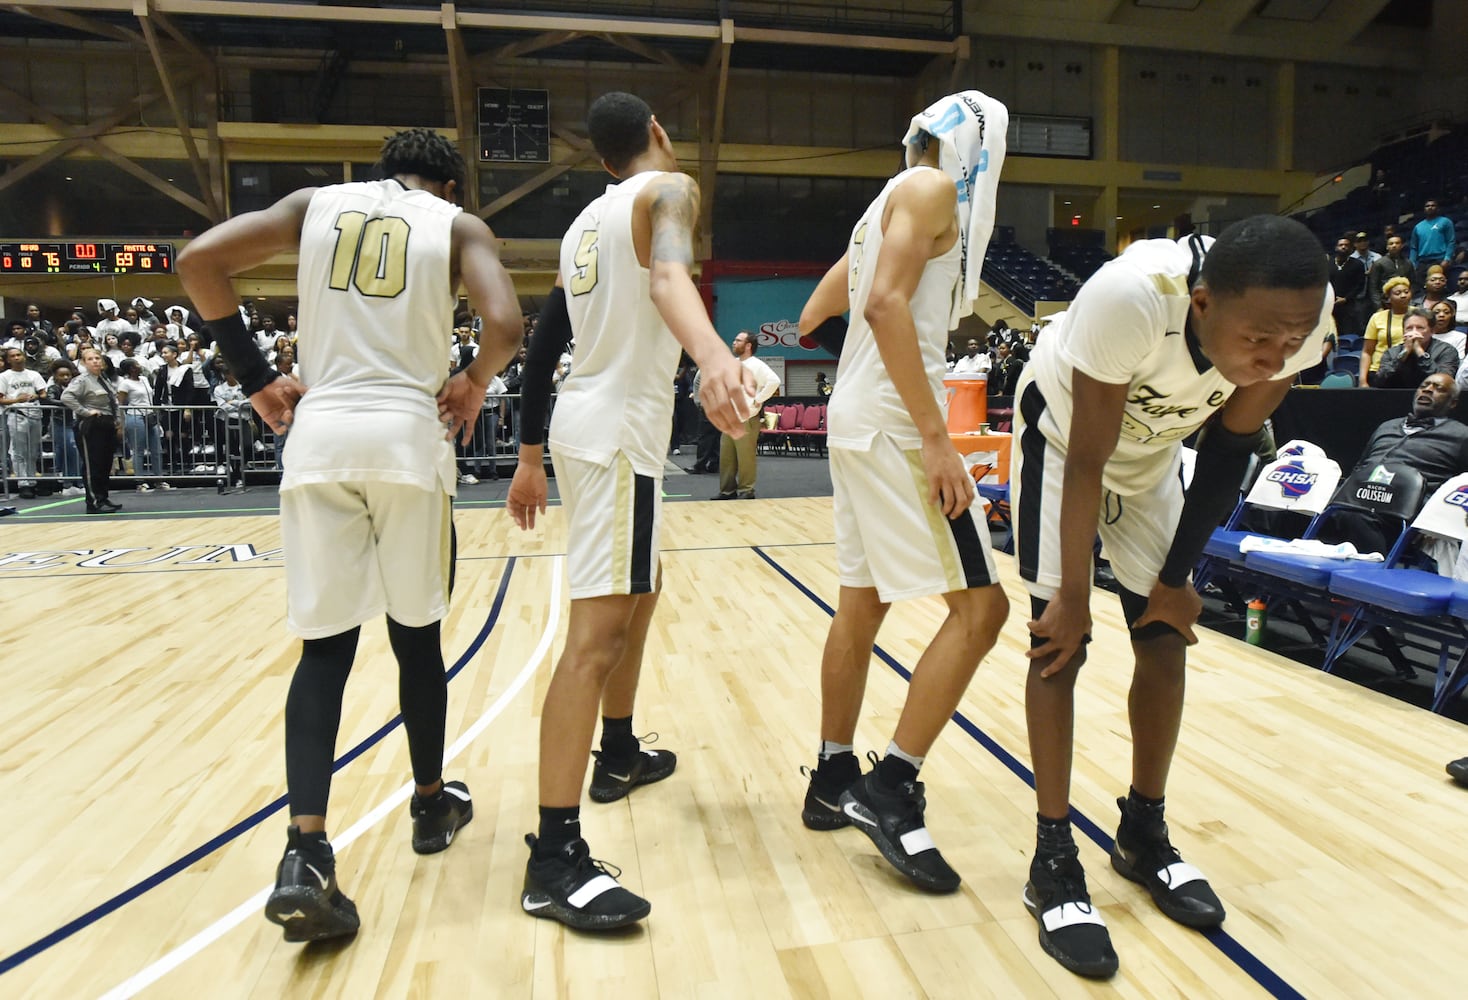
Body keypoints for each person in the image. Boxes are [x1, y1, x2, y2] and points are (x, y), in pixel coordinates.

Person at [176, 127, 522, 944]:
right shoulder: (456, 224)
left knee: (323, 651)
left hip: (320, 438)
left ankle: (306, 852)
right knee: (418, 639)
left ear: (379, 175)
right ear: (445, 185)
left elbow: (198, 261)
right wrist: (472, 383)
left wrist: (257, 377)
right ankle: (432, 805)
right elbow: (504, 321)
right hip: (407, 440)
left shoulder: (313, 206)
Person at [1010, 216, 1330, 979]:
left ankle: (1141, 833)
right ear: (1202, 302)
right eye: (1259, 339)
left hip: (1154, 458)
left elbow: (1227, 451)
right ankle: (1053, 856)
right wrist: (1076, 597)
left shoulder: (1296, 328)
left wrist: (1177, 581)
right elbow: (1087, 458)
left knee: (1163, 636)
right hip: (1063, 443)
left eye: (1291, 343)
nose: (1274, 357)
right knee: (1062, 642)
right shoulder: (1130, 297)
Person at [504, 91, 751, 931]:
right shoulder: (669, 192)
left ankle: (616, 752)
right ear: (656, 133)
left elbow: (553, 337)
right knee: (594, 638)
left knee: (639, 599)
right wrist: (714, 356)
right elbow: (670, 275)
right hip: (616, 434)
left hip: (594, 425)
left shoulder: (585, 223)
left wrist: (532, 448)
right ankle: (554, 857)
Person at [795, 89, 1010, 894]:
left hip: (858, 415)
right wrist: (932, 433)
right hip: (892, 421)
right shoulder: (928, 191)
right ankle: (889, 792)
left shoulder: (881, 204)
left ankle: (830, 774)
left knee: (864, 603)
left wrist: (847, 364)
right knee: (983, 609)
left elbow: (824, 309)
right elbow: (881, 304)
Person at [714, 330, 780, 500]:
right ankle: (727, 490)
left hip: (747, 418)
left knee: (746, 458)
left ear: (748, 345)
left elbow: (774, 381)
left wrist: (759, 399)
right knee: (726, 458)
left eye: (738, 340)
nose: (734, 343)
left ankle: (746, 490)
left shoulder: (757, 365)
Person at [60, 346, 124, 513]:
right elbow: (66, 397)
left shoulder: (103, 379)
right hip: (91, 425)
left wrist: (117, 422)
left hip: (107, 424)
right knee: (92, 465)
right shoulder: (82, 380)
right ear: (84, 363)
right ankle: (94, 502)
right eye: (90, 359)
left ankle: (103, 497)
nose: (95, 361)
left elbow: (114, 402)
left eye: (97, 358)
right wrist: (85, 412)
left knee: (105, 464)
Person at [1, 346, 48, 497]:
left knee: (33, 451)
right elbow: (1, 398)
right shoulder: (4, 376)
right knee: (19, 451)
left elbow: (43, 392)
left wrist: (36, 396)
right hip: (16, 414)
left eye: (18, 355)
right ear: (8, 360)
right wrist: (16, 399)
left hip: (34, 413)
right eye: (13, 356)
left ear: (24, 357)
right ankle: (23, 484)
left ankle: (32, 481)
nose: (16, 358)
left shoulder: (33, 374)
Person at [1375, 307, 1460, 388]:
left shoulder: (1446, 350)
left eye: (1420, 328)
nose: (1414, 332)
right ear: (1403, 331)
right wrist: (1404, 354)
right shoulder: (1392, 352)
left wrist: (1420, 352)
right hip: (1397, 397)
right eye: (1409, 328)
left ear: (1432, 331)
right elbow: (1380, 381)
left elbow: (1444, 382)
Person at [1362, 276, 1413, 385]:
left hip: (1410, 370)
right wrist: (1362, 380)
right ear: (1388, 297)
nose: (1403, 295)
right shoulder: (1377, 317)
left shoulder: (1419, 314)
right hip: (1380, 370)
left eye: (1406, 292)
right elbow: (1367, 351)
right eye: (1398, 293)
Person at [1409, 199, 1456, 290]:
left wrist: (1447, 258)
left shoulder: (1445, 222)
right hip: (1423, 262)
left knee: (1441, 288)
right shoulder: (1418, 227)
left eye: (1433, 205)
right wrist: (1413, 264)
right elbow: (1413, 247)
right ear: (1424, 209)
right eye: (1427, 206)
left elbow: (1451, 241)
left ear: (1437, 208)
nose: (1430, 207)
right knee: (1422, 288)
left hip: (1440, 260)